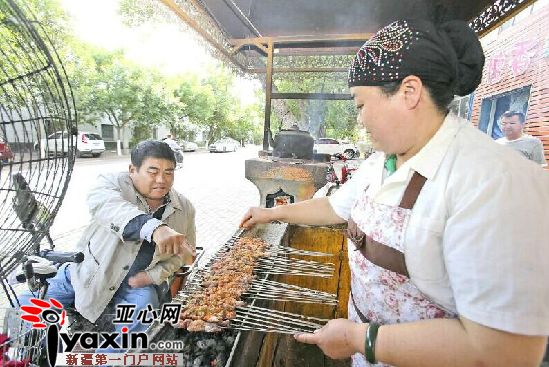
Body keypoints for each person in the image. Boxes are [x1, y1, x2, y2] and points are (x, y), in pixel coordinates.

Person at [240, 19, 549, 367]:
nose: (359, 120)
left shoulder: (494, 182)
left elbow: (506, 350)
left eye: (360, 105)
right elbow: (335, 207)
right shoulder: (381, 161)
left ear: (409, 92)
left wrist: (361, 339)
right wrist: (271, 213)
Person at [18, 140, 196, 337]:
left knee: (139, 327)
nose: (162, 180)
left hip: (136, 284)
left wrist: (153, 275)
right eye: (152, 172)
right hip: (89, 272)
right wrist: (154, 228)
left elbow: (184, 255)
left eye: (169, 172)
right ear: (132, 170)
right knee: (27, 305)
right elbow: (108, 207)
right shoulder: (112, 185)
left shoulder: (184, 208)